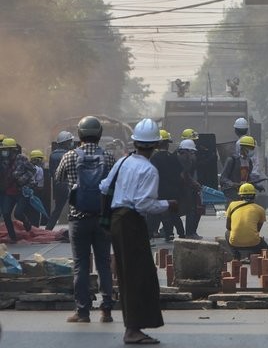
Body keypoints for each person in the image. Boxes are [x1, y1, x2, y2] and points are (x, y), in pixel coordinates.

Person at [100, 118, 177, 345]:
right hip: (131, 223)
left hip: (116, 219)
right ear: (155, 145)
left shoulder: (123, 161)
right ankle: (132, 330)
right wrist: (168, 205)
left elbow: (104, 187)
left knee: (128, 275)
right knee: (138, 277)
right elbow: (144, 205)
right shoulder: (149, 170)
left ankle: (133, 327)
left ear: (135, 143)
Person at [55, 116, 115, 323]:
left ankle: (82, 312)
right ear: (99, 135)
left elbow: (58, 177)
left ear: (79, 134)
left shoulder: (70, 156)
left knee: (81, 265)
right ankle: (106, 310)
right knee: (104, 264)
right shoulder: (108, 157)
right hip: (102, 219)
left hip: (77, 219)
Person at [150, 130, 185, 242]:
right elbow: (180, 173)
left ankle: (169, 234)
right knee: (174, 212)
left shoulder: (154, 158)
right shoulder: (173, 157)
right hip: (174, 189)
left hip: (161, 189)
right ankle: (181, 233)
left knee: (164, 212)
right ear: (167, 143)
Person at [0, 137, 35, 242]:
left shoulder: (22, 159)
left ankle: (26, 223)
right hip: (8, 192)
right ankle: (12, 237)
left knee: (18, 214)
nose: (4, 152)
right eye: (3, 150)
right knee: (6, 213)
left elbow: (32, 170)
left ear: (12, 150)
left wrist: (22, 179)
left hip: (21, 191)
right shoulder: (3, 162)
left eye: (6, 150)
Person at [225, 183, 268, 260]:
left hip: (234, 242)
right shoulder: (260, 209)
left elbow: (228, 227)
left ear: (240, 195)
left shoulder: (232, 205)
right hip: (254, 243)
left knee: (227, 233)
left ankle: (235, 255)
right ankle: (254, 256)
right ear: (254, 196)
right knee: (265, 247)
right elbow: (258, 229)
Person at [220, 135, 258, 207]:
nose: (251, 150)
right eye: (250, 148)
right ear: (242, 148)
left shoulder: (249, 161)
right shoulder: (232, 160)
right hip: (232, 195)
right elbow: (223, 178)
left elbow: (247, 178)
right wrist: (232, 184)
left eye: (252, 148)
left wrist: (256, 185)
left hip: (244, 194)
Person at [47, 131, 74, 230]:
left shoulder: (52, 155)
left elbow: (51, 172)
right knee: (75, 209)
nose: (71, 143)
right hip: (68, 185)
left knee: (57, 209)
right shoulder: (69, 154)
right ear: (65, 142)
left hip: (57, 185)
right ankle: (75, 229)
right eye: (70, 141)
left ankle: (48, 229)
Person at [177, 139, 202, 239]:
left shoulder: (182, 158)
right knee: (190, 210)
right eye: (191, 152)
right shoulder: (183, 159)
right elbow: (184, 174)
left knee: (191, 210)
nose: (192, 154)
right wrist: (194, 183)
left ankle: (189, 232)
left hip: (187, 187)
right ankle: (189, 233)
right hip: (185, 188)